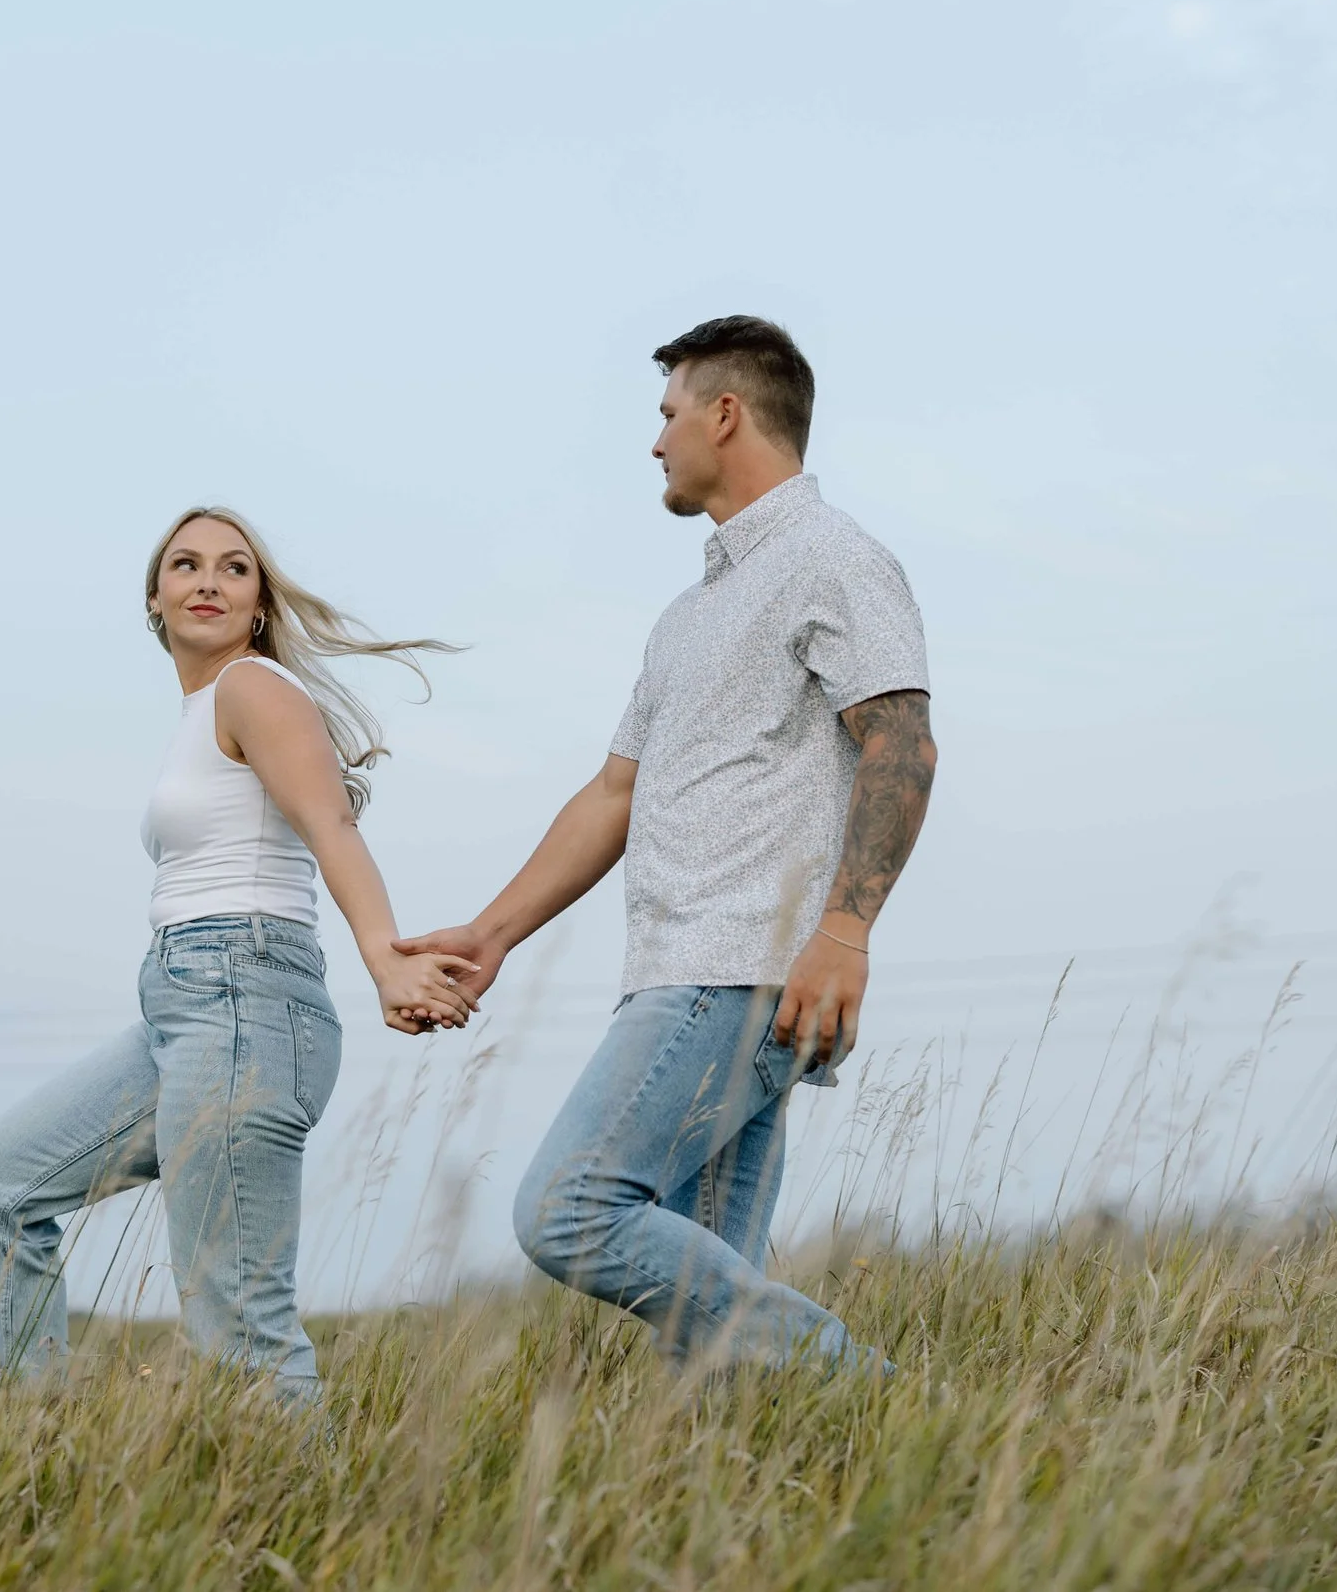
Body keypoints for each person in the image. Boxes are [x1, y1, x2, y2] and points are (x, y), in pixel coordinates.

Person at [397, 316, 938, 1371]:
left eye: (667, 413)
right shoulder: (691, 613)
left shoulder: (834, 558)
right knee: (715, 1339)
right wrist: (493, 933)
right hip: (693, 970)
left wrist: (845, 927)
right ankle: (772, 1502)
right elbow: (614, 791)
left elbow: (901, 738)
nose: (655, 442)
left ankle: (878, 1393)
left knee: (568, 1207)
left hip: (734, 969)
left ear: (724, 413)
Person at [0, 507, 478, 1404]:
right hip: (181, 1008)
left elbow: (330, 825)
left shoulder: (252, 689)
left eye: (234, 569)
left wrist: (385, 957)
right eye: (185, 565)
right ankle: (28, 1458)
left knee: (236, 1321)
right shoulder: (202, 713)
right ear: (155, 599)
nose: (207, 581)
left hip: (244, 996)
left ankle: (311, 1521)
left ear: (259, 603)